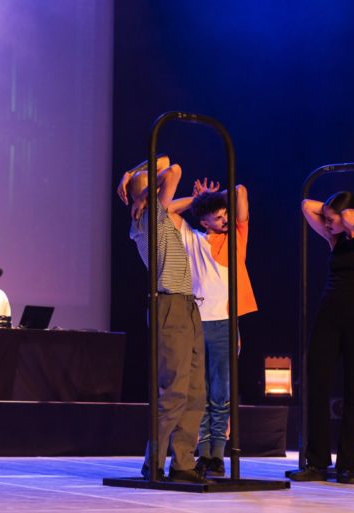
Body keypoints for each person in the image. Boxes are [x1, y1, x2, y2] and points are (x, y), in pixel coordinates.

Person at [116, 156, 207, 483]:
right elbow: (174, 169)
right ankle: (152, 462)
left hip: (188, 305)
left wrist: (130, 172)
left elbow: (166, 164)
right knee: (174, 390)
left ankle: (183, 462)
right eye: (153, 189)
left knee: (195, 392)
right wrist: (139, 188)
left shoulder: (160, 213)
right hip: (169, 305)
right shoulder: (146, 216)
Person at [289, 191, 354, 485]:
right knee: (316, 387)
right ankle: (317, 461)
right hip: (328, 319)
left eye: (333, 219)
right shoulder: (335, 239)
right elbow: (306, 205)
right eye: (328, 219)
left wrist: (346, 214)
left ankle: (347, 466)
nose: (328, 223)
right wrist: (334, 211)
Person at [173, 179, 258, 477]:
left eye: (225, 215)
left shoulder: (236, 236)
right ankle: (203, 451)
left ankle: (217, 454)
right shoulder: (192, 238)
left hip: (224, 324)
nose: (224, 220)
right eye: (218, 217)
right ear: (204, 221)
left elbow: (241, 190)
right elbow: (167, 210)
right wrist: (197, 201)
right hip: (196, 324)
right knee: (200, 393)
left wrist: (213, 197)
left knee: (220, 392)